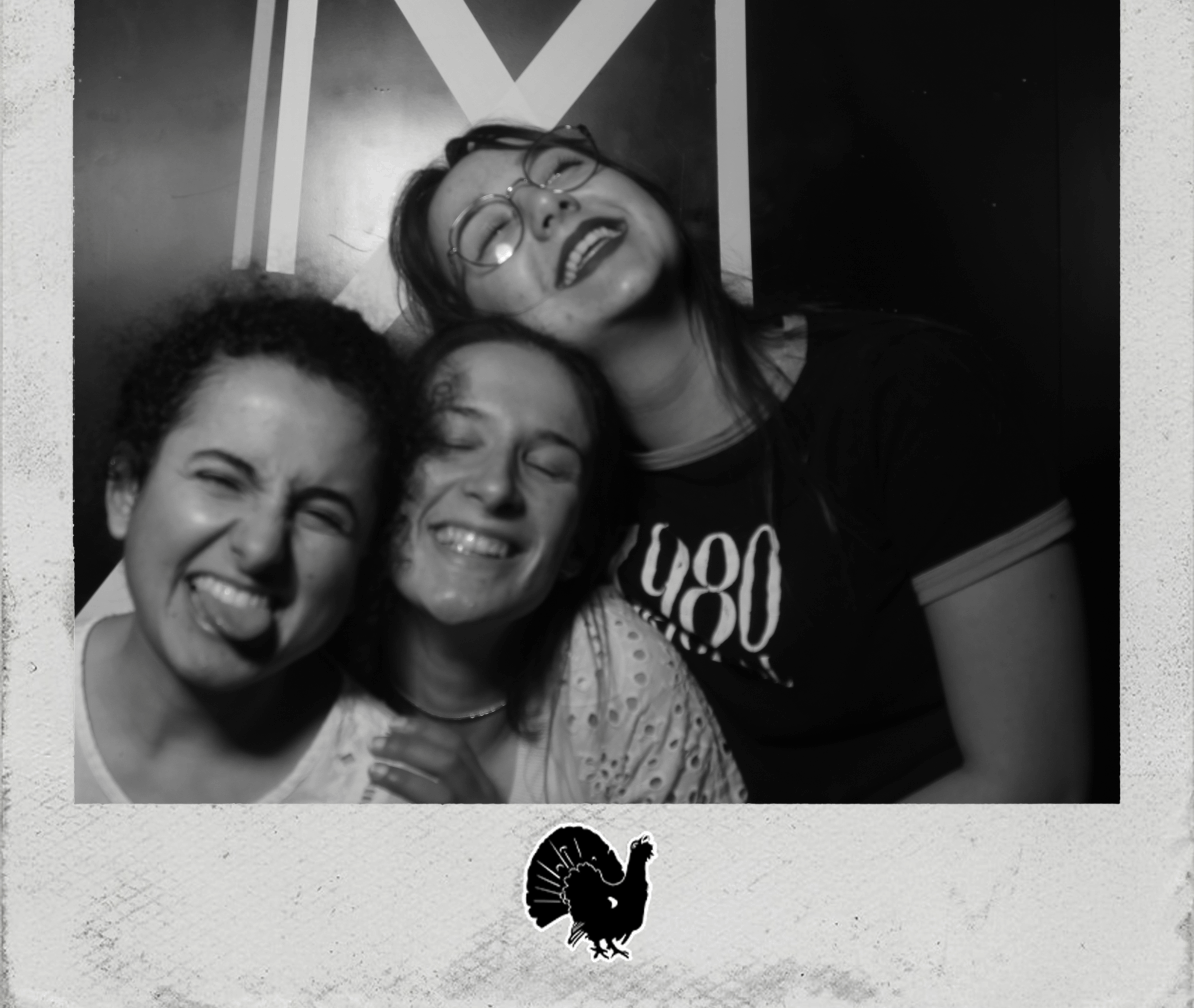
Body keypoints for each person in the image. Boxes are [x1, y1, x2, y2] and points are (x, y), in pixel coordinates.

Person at [389, 121, 1091, 803]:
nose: (548, 205)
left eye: (562, 167)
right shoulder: (546, 504)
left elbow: (1035, 783)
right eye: (493, 234)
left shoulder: (907, 390)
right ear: (480, 330)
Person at [359, 318, 748, 803]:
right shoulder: (302, 626)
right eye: (453, 441)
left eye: (548, 467)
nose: (496, 486)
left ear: (576, 544)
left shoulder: (618, 674)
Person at [75, 281, 417, 803]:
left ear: (362, 566)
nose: (261, 548)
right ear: (125, 490)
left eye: (322, 515)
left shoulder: (391, 803)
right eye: (221, 480)